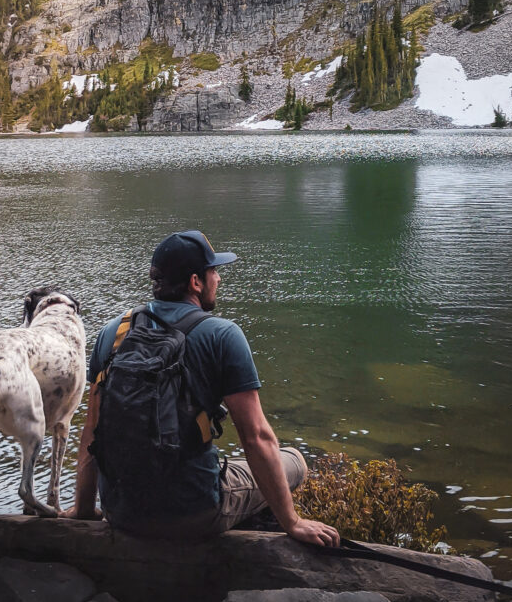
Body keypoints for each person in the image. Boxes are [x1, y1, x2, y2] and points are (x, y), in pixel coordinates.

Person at [66, 230, 339, 547]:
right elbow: (256, 437)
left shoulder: (112, 333)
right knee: (293, 461)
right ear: (196, 282)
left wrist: (84, 509)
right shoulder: (222, 335)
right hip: (193, 512)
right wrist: (292, 522)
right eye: (214, 272)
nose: (219, 280)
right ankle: (265, 531)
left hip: (121, 511)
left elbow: (92, 430)